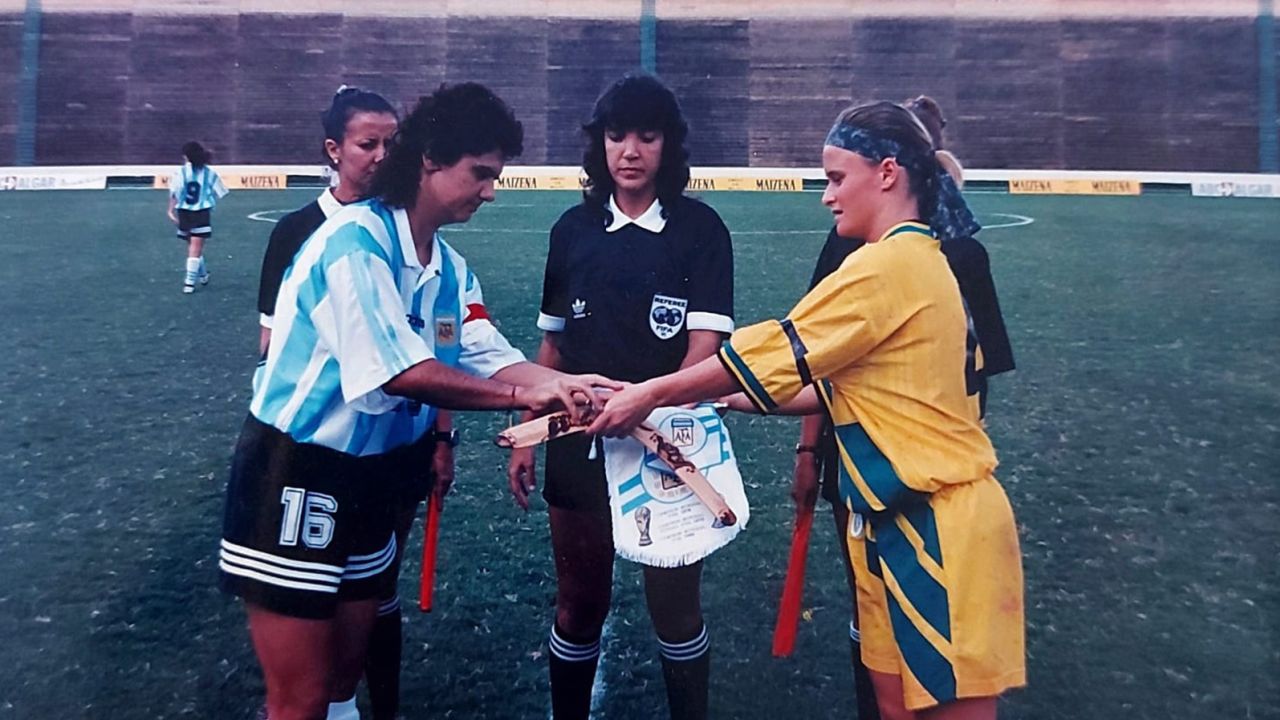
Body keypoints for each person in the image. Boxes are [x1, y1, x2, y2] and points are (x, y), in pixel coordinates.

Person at [587, 101, 1025, 720]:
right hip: (888, 522)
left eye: (837, 178)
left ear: (888, 172)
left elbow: (775, 348)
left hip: (936, 527)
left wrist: (648, 393)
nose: (827, 197)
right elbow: (840, 387)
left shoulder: (887, 265)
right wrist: (717, 396)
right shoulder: (915, 260)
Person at [219, 82, 619, 720]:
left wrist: (568, 386)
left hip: (372, 480)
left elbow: (487, 348)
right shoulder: (354, 244)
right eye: (481, 174)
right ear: (430, 159)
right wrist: (525, 395)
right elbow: (400, 372)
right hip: (293, 473)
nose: (490, 191)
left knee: (344, 683)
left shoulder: (451, 268)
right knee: (297, 699)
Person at [505, 73, 734, 720]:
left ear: (670, 146)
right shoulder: (572, 230)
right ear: (599, 145)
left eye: (647, 136)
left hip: (669, 446)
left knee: (675, 607)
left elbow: (706, 351)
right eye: (615, 136)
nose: (629, 151)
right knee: (579, 602)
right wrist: (528, 430)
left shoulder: (700, 230)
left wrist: (646, 406)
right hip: (576, 445)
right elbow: (551, 353)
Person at [791, 95, 1016, 720]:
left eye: (836, 179)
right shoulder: (849, 245)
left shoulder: (955, 255)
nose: (830, 195)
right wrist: (810, 452)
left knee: (939, 669)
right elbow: (814, 357)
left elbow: (974, 381)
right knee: (878, 636)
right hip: (855, 470)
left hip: (925, 488)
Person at [251, 85, 446, 720]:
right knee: (315, 614)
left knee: (375, 591)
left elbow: (439, 337)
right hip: (317, 453)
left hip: (394, 449)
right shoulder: (302, 234)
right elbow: (275, 344)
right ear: (334, 150)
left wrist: (441, 437)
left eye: (394, 143)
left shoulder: (413, 234)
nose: (383, 156)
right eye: (369, 144)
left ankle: (374, 704)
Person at [167, 141, 228, 293]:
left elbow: (175, 191)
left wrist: (170, 210)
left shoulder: (180, 173)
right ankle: (195, 279)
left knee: (192, 247)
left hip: (184, 212)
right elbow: (221, 191)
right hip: (201, 212)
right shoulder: (209, 173)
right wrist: (208, 199)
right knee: (195, 248)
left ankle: (195, 279)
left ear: (186, 156)